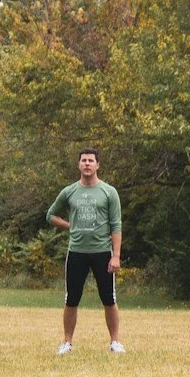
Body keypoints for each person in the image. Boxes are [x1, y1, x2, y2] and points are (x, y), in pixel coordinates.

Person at [47, 147, 125, 354]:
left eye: (91, 160)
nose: (87, 164)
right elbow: (50, 215)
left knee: (109, 298)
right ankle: (67, 343)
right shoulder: (69, 191)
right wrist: (69, 226)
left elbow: (116, 225)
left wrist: (116, 256)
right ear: (78, 165)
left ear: (98, 165)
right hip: (76, 252)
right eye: (84, 160)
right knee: (71, 299)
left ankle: (115, 342)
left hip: (102, 253)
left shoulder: (109, 192)